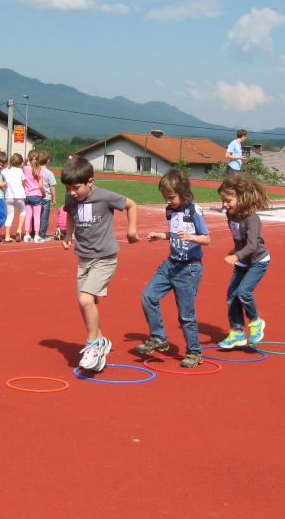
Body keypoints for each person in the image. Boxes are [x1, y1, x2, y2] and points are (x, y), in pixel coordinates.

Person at [61, 157, 139, 372]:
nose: (72, 192)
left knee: (85, 300)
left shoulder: (105, 197)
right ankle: (101, 340)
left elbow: (132, 205)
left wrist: (131, 231)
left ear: (90, 181)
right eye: (68, 188)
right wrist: (68, 234)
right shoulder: (71, 197)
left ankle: (93, 344)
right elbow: (69, 213)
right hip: (83, 258)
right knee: (86, 304)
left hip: (104, 258)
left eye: (76, 188)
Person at [138, 170, 211, 368]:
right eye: (165, 198)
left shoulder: (194, 210)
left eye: (171, 197)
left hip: (189, 268)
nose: (168, 201)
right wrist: (162, 236)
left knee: (186, 314)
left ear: (184, 192)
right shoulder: (170, 210)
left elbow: (206, 238)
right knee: (148, 296)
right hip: (170, 263)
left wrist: (191, 238)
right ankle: (158, 337)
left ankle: (194, 352)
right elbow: (174, 233)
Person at [217, 173, 271, 348]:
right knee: (231, 296)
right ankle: (238, 332)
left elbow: (252, 245)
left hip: (257, 261)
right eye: (222, 200)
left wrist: (236, 255)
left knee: (243, 293)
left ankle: (256, 322)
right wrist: (235, 249)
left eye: (228, 200)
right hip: (243, 260)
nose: (224, 205)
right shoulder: (231, 216)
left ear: (242, 198)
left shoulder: (252, 219)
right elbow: (239, 238)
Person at [2, 152, 26, 242]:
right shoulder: (20, 171)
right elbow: (24, 182)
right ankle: (19, 229)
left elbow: (3, 181)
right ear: (20, 163)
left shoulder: (5, 171)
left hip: (8, 196)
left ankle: (7, 235)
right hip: (19, 196)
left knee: (10, 215)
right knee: (23, 211)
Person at [22, 149, 45, 242]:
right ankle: (36, 235)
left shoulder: (25, 169)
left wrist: (25, 161)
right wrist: (43, 193)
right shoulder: (40, 169)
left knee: (28, 215)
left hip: (27, 194)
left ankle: (27, 234)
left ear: (29, 158)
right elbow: (40, 185)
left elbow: (23, 165)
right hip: (36, 194)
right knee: (36, 216)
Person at [39, 150, 58, 240]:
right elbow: (52, 187)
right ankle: (42, 234)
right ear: (48, 161)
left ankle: (33, 232)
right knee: (44, 216)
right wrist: (54, 198)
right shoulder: (49, 173)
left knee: (35, 215)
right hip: (46, 197)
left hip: (36, 196)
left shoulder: (35, 171)